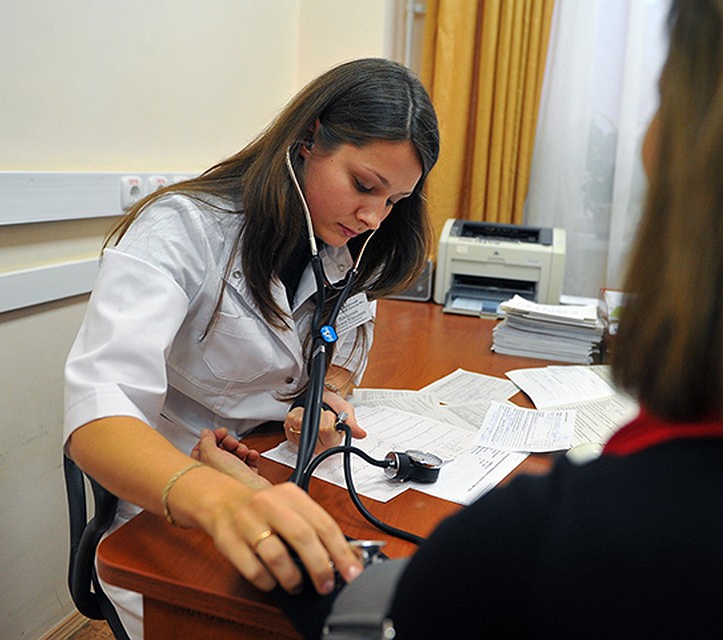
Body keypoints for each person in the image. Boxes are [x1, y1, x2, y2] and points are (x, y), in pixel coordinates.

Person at [201, 1, 723, 638]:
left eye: (663, 103)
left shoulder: (584, 542)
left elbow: (365, 608)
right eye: (366, 188)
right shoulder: (195, 230)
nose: (374, 216)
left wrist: (264, 494)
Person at [63, 57, 440, 639]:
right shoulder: (183, 229)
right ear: (308, 139)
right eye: (364, 186)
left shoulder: (344, 246)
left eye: (393, 201)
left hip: (271, 473)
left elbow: (340, 351)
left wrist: (321, 398)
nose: (372, 217)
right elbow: (97, 414)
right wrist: (224, 499)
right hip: (171, 501)